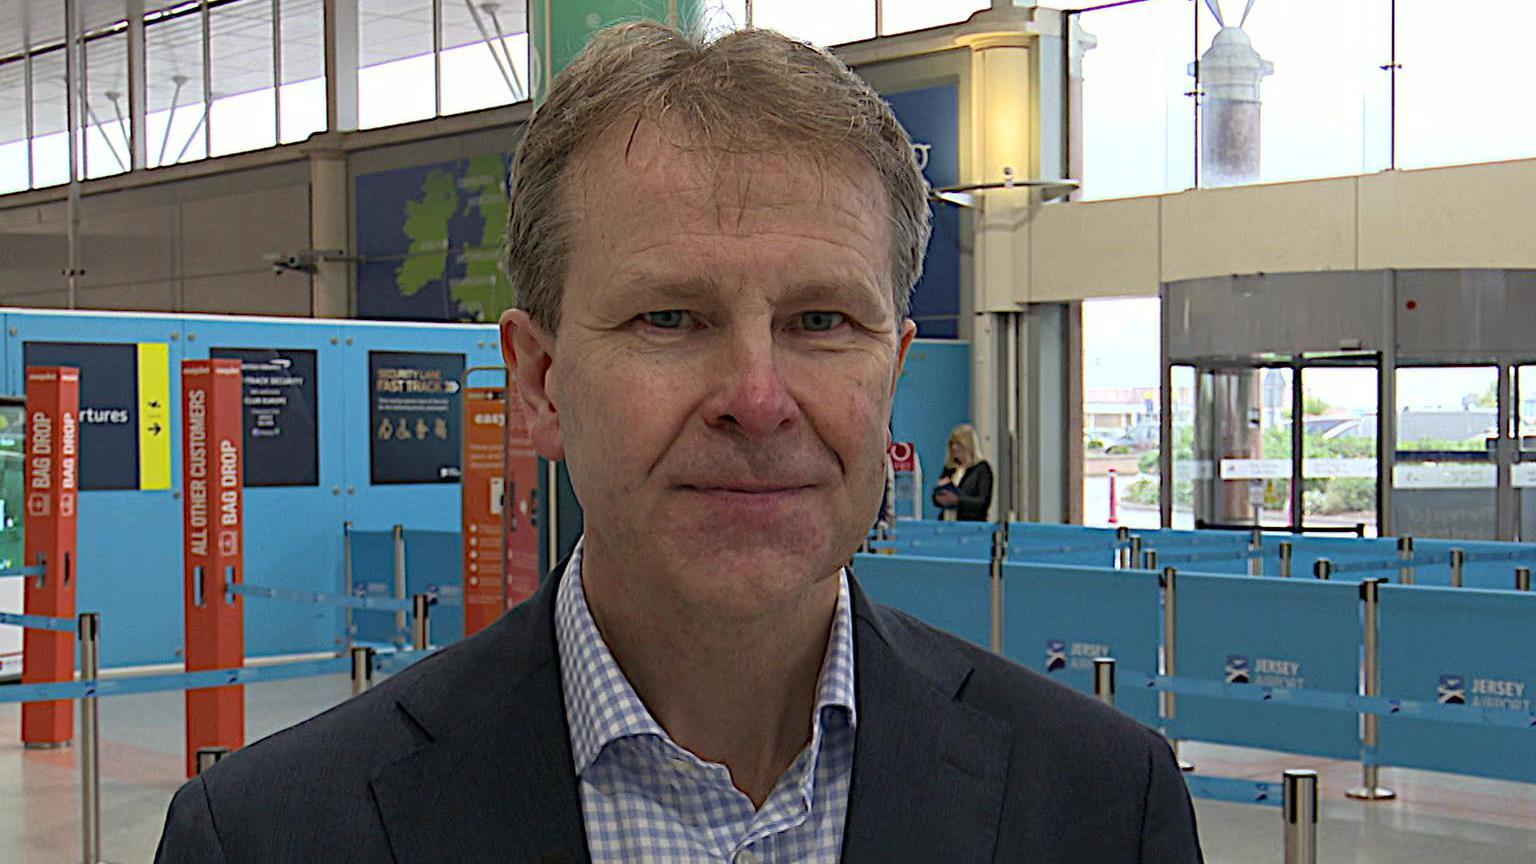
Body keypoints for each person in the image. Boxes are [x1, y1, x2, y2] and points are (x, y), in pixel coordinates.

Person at [156, 22, 1202, 863]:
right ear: (540, 383)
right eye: (670, 319)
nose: (756, 398)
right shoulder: (272, 836)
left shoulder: (1101, 808)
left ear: (892, 370)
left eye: (823, 322)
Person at [932, 423, 993, 521]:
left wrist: (957, 500)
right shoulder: (950, 468)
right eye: (952, 443)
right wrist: (938, 496)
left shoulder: (982, 469)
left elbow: (983, 502)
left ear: (968, 445)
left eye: (958, 443)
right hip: (947, 522)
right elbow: (936, 496)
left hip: (971, 525)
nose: (954, 447)